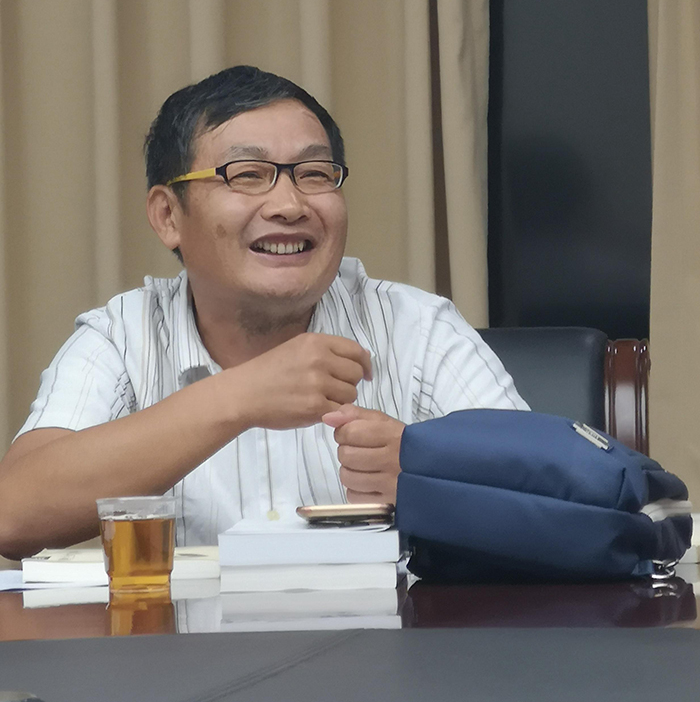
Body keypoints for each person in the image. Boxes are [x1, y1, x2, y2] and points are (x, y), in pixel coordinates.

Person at [0, 66, 528, 558]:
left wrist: (429, 481)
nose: (289, 205)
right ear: (168, 216)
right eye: (248, 174)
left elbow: (554, 496)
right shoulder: (123, 336)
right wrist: (242, 395)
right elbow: (15, 514)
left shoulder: (416, 328)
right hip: (183, 634)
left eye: (314, 173)